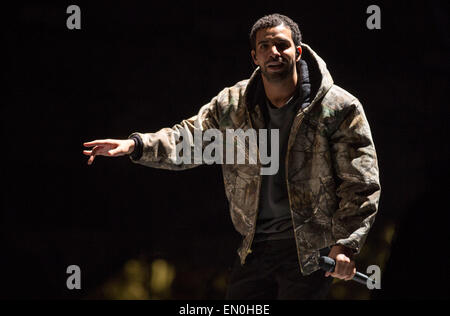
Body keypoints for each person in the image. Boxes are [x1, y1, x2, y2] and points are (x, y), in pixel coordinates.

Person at [83, 14, 381, 299]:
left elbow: (361, 181)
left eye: (281, 44)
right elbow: (189, 139)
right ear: (254, 57)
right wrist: (136, 145)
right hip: (255, 248)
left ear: (298, 51)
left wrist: (345, 245)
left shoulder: (338, 108)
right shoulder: (233, 106)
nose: (273, 52)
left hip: (310, 250)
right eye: (264, 46)